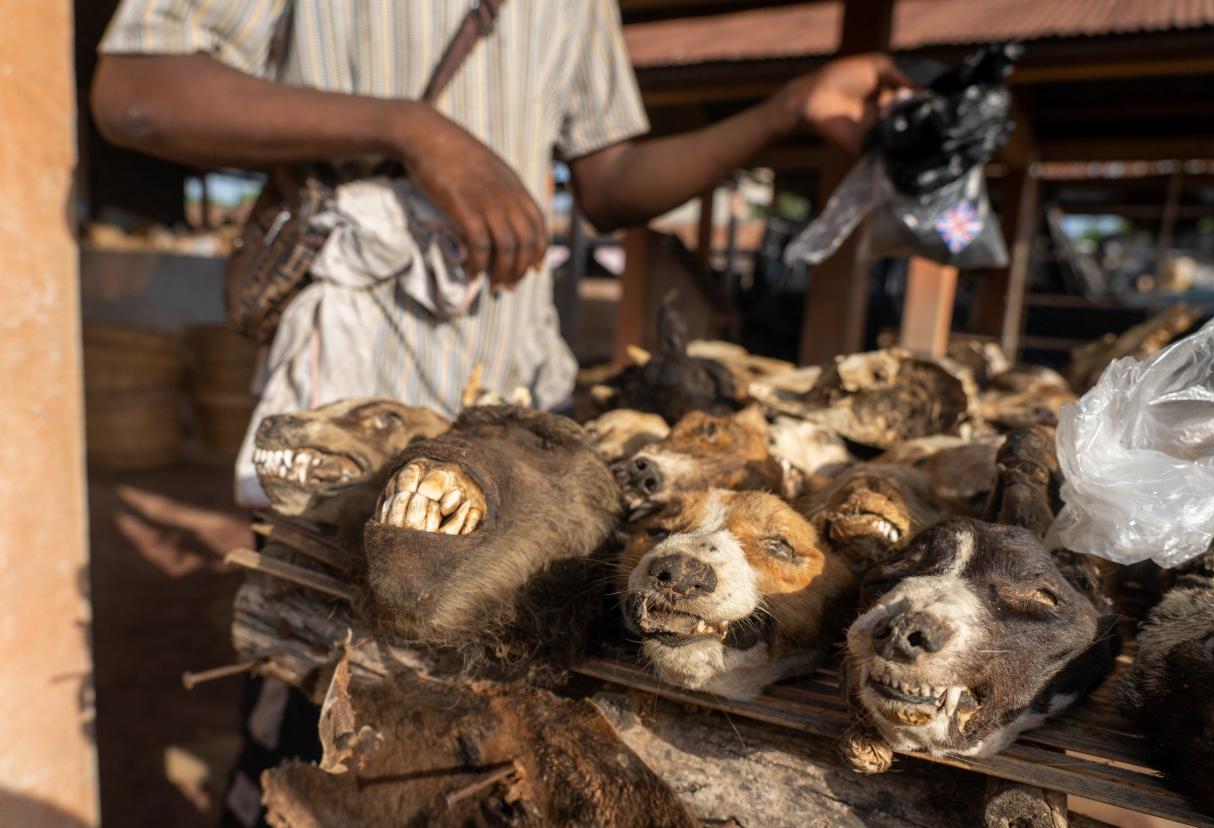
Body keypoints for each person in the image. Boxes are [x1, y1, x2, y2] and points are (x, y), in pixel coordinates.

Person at [91, 3, 910, 823]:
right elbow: (135, 89)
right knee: (319, 708)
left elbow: (612, 179)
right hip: (357, 404)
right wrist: (412, 130)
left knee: (500, 732)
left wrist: (784, 109)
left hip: (523, 407)